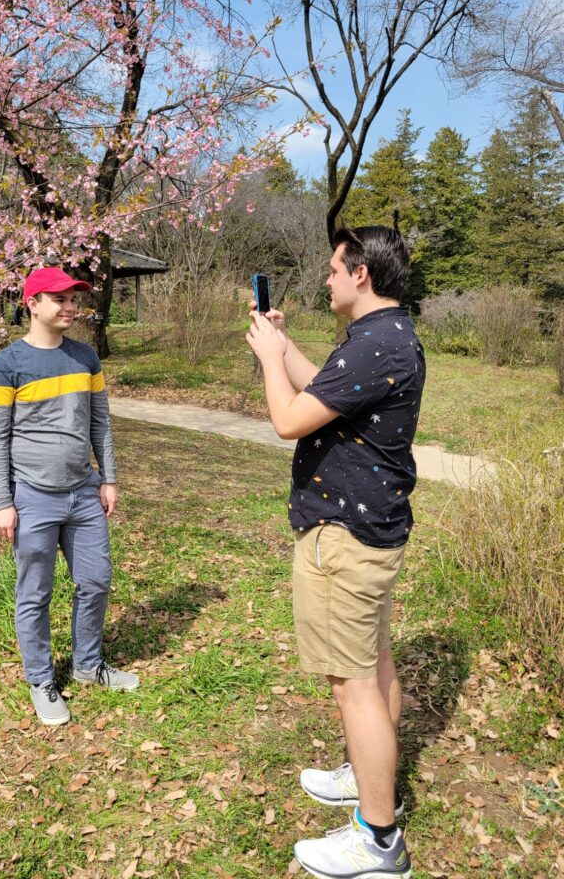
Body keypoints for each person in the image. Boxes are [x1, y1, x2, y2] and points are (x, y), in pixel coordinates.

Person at [247, 226, 424, 879]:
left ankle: (378, 839)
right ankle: (366, 778)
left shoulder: (377, 342)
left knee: (353, 685)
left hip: (344, 538)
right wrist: (283, 343)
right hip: (371, 530)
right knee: (373, 665)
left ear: (360, 276)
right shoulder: (388, 336)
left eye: (331, 270)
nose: (325, 279)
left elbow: (291, 418)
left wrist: (268, 359)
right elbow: (327, 390)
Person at [0, 266, 139, 727]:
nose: (72, 307)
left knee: (96, 581)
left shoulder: (86, 357)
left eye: (74, 299)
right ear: (33, 304)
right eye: (61, 299)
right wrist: (0, 502)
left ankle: (88, 666)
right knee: (36, 592)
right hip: (32, 497)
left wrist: (107, 478)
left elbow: (100, 423)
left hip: (84, 493)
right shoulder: (5, 365)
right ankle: (41, 679)